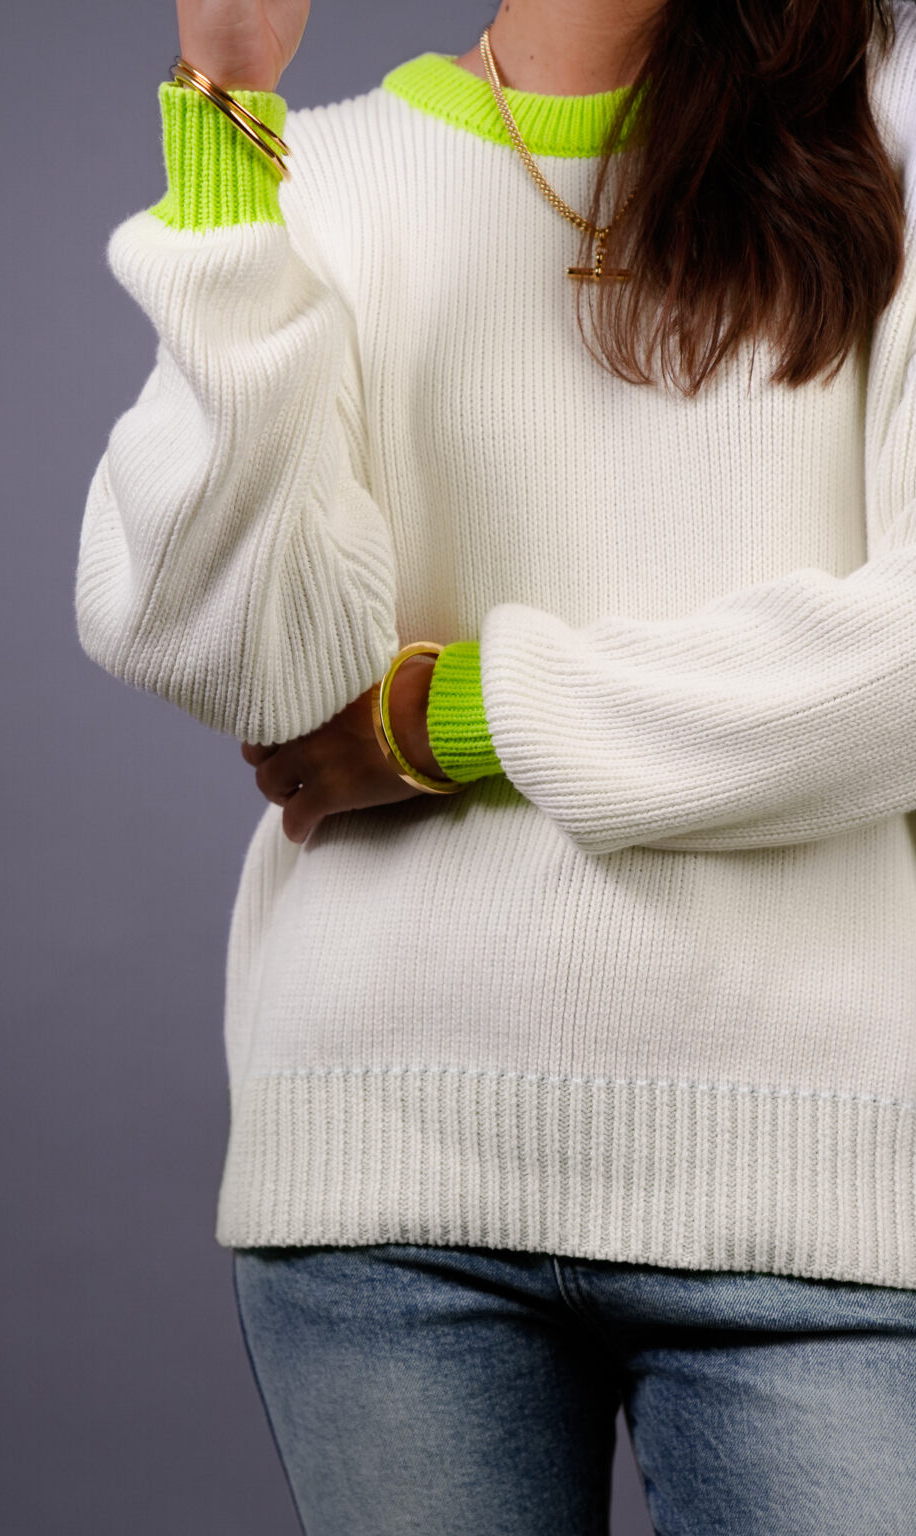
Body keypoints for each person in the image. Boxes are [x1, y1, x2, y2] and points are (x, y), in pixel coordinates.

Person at [74, 0, 916, 1528]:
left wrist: (449, 719)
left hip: (814, 1174)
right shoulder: (316, 174)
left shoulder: (898, 117)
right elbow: (251, 656)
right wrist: (225, 111)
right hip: (385, 1166)